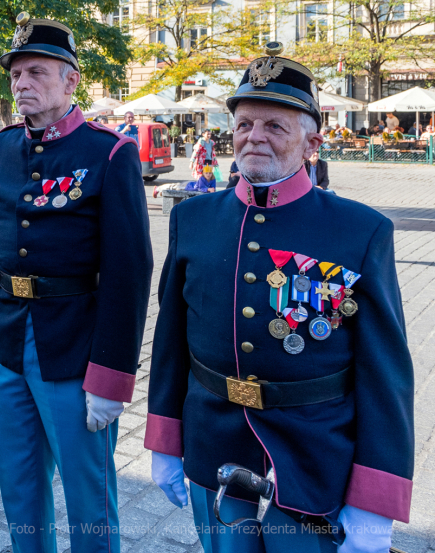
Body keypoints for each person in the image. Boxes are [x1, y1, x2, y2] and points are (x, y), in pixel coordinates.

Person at [146, 44, 413, 553]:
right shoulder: (193, 220)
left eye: (275, 126)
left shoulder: (361, 231)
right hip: (213, 435)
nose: (255, 137)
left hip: (314, 447)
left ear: (311, 141)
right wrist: (163, 437)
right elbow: (170, 342)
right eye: (245, 123)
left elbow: (386, 375)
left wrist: (376, 500)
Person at [0, 14, 153, 553]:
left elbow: (129, 273)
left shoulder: (108, 153)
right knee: (20, 488)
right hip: (6, 338)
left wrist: (113, 375)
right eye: (16, 74)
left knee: (87, 493)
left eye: (37, 72)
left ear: (71, 80)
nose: (22, 83)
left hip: (74, 345)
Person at [153, 163, 217, 197]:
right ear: (203, 173)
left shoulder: (213, 179)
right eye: (206, 173)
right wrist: (208, 189)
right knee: (174, 186)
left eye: (210, 173)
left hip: (192, 186)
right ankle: (158, 188)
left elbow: (213, 188)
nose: (208, 175)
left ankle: (162, 191)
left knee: (174, 187)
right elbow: (200, 188)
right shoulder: (201, 179)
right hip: (188, 186)